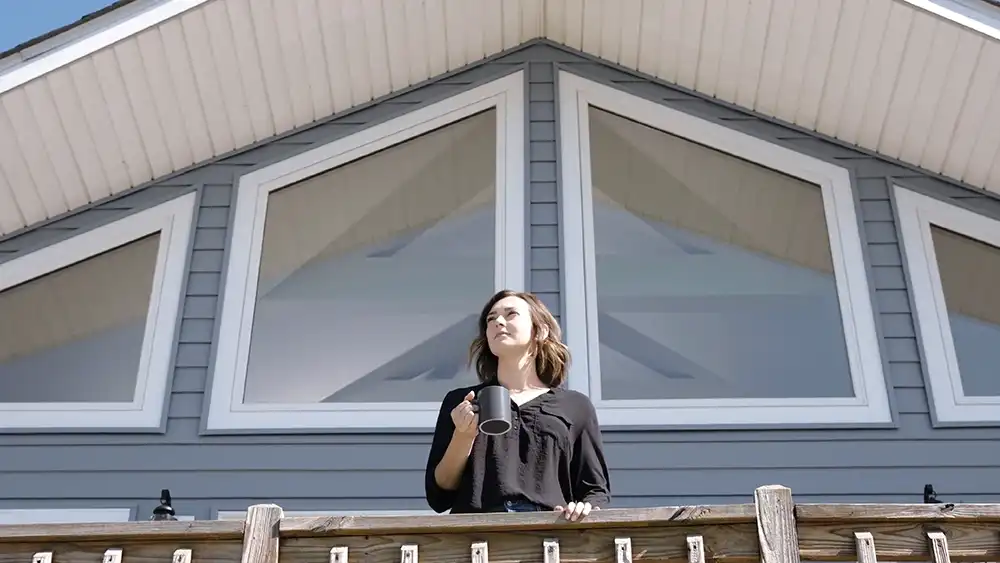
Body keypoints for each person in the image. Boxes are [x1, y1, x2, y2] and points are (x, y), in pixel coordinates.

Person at [424, 289, 611, 520]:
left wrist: (584, 508)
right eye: (491, 319)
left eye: (510, 314)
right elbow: (439, 494)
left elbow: (594, 491)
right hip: (474, 537)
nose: (497, 322)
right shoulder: (463, 401)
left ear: (539, 330)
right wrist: (464, 435)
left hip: (548, 536)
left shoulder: (575, 406)